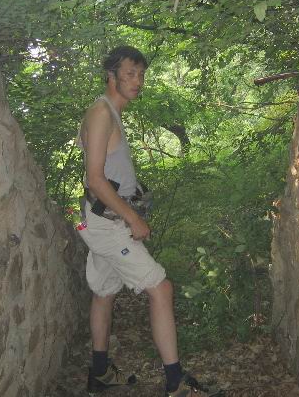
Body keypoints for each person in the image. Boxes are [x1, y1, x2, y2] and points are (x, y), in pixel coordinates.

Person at [77, 46, 210, 397]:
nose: (138, 81)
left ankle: (100, 374)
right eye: (130, 74)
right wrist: (132, 217)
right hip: (108, 224)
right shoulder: (102, 114)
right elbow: (95, 179)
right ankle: (175, 382)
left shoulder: (109, 112)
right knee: (160, 288)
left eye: (141, 74)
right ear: (111, 75)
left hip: (100, 220)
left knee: (104, 292)